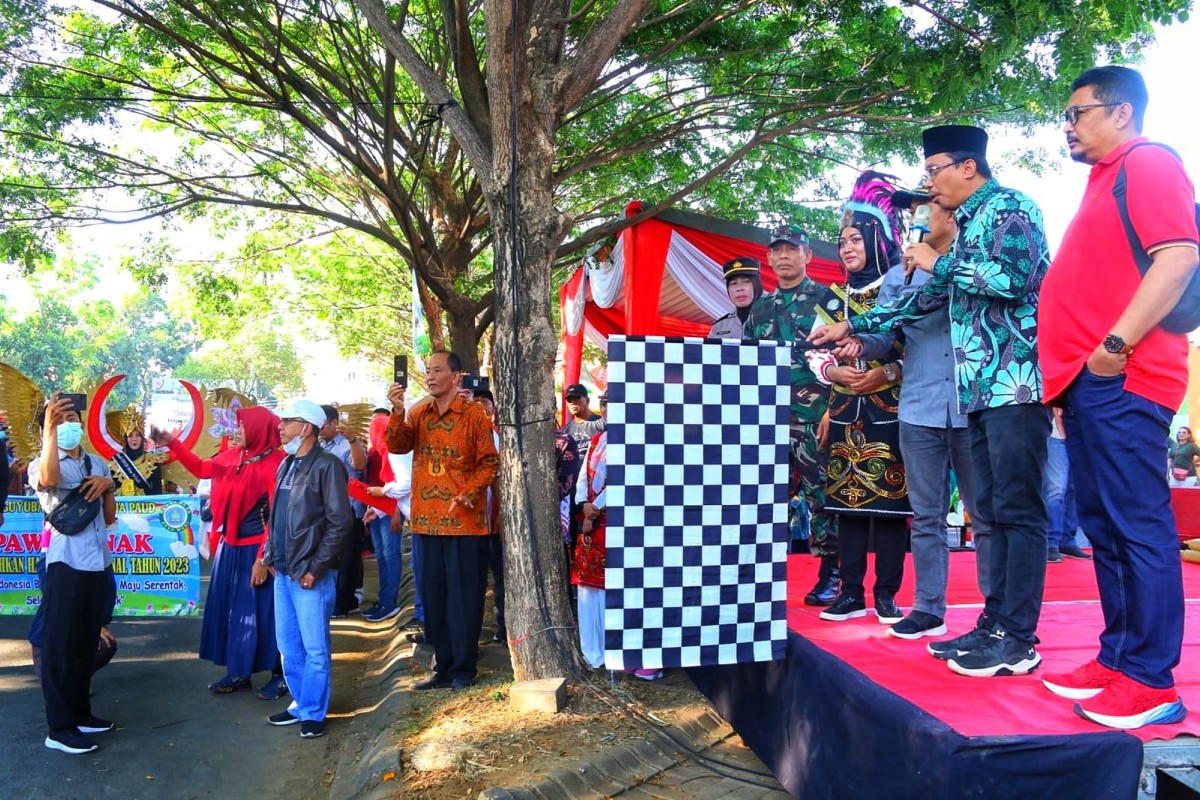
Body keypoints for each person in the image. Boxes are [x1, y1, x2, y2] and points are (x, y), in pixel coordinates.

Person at [812, 124, 1052, 677]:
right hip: (978, 391)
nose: (929, 185)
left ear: (968, 167)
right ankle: (994, 625)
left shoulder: (1011, 207)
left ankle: (1018, 637)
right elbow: (923, 304)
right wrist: (852, 325)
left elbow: (1015, 280)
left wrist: (935, 261)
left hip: (1014, 382)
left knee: (1013, 513)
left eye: (934, 171)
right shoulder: (965, 228)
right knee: (990, 510)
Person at [1037, 65, 1198, 729]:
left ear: (1122, 112)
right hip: (1090, 381)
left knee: (1137, 525)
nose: (1068, 127)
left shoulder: (1148, 161)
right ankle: (1118, 659)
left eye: (1077, 113)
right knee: (1103, 526)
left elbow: (1178, 256)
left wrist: (1112, 347)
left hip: (1125, 374)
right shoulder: (1103, 179)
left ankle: (1150, 680)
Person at [848, 195, 993, 640]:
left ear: (951, 216)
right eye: (913, 216)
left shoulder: (973, 267)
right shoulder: (898, 276)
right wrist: (859, 343)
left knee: (984, 515)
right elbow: (885, 335)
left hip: (973, 406)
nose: (919, 221)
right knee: (926, 516)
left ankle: (997, 614)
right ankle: (929, 608)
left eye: (926, 212)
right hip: (918, 408)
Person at [813, 172, 911, 625]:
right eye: (842, 242)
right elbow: (813, 352)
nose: (847, 248)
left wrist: (885, 371)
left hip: (892, 410)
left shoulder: (902, 286)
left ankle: (887, 595)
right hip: (842, 412)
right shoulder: (834, 299)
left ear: (877, 237)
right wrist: (831, 371)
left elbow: (916, 346)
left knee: (890, 506)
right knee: (845, 505)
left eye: (855, 239)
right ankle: (850, 593)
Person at [154, 406, 287, 699]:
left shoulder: (277, 464)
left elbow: (278, 517)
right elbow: (203, 469)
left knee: (268, 614)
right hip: (230, 547)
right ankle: (240, 671)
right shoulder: (234, 457)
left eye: (242, 426)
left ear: (258, 429)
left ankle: (281, 675)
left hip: (257, 551)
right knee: (235, 613)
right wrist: (172, 443)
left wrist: (263, 558)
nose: (236, 431)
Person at [386, 351, 500, 690]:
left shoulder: (474, 415)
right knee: (433, 597)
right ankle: (441, 667)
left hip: (465, 523)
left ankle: (463, 669)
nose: (430, 376)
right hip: (425, 522)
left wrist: (470, 492)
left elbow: (490, 462)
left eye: (437, 370)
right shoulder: (419, 414)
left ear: (456, 376)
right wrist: (397, 411)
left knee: (464, 597)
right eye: (428, 371)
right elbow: (397, 445)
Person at [747, 224, 840, 605]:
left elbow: (844, 357)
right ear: (769, 258)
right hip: (768, 418)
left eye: (792, 249)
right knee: (765, 499)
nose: (784, 256)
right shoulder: (760, 308)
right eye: (778, 250)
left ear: (808, 256)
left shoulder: (828, 301)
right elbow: (747, 365)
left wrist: (834, 409)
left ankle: (830, 573)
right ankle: (760, 576)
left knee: (821, 495)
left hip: (814, 415)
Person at [29, 392, 119, 754]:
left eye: (72, 420)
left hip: (98, 562)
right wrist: (50, 431)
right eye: (60, 421)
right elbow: (50, 478)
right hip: (65, 564)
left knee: (83, 644)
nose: (69, 426)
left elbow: (109, 517)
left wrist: (109, 486)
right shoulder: (41, 463)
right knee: (59, 647)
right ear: (46, 430)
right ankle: (60, 727)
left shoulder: (97, 463)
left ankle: (81, 713)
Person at [260, 399, 353, 739]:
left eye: (288, 421)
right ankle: (301, 703)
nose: (281, 427)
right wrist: (270, 555)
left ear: (307, 427)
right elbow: (277, 517)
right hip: (283, 571)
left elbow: (340, 522)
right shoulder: (286, 464)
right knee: (288, 645)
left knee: (315, 648)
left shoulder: (327, 465)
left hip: (309, 573)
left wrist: (316, 567)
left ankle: (313, 711)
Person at [319, 404, 367, 617]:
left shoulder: (348, 444)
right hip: (327, 510)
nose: (319, 428)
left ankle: (343, 603)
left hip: (349, 509)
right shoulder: (320, 445)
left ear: (334, 423)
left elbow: (359, 466)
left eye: (323, 424)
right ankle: (340, 600)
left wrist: (353, 440)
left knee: (347, 558)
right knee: (333, 557)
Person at [362, 412, 403, 623]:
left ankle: (390, 602)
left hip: (390, 510)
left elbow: (400, 484)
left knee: (390, 555)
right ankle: (383, 599)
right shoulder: (374, 452)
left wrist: (396, 512)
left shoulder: (393, 453)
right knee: (381, 556)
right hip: (377, 508)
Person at [1042, 409, 1091, 562]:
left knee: (1074, 488)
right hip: (1054, 433)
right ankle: (1051, 542)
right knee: (1055, 490)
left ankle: (1067, 540)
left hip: (1080, 433)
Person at [709, 257, 764, 339]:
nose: (739, 288)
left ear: (757, 285)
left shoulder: (777, 321)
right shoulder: (719, 326)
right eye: (733, 283)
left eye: (746, 281)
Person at [111, 425, 164, 496]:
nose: (134, 439)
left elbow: (157, 492)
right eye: (130, 436)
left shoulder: (152, 461)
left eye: (138, 435)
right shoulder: (116, 461)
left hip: (147, 502)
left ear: (142, 438)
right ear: (125, 439)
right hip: (122, 502)